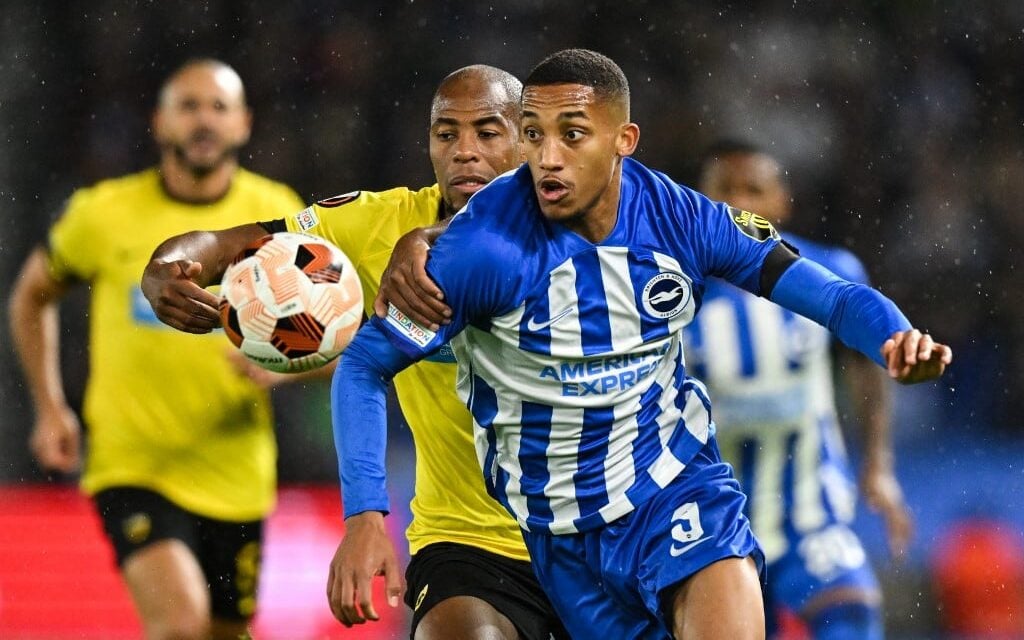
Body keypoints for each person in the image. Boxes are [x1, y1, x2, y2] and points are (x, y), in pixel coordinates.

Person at [330, 48, 952, 639]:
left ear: (623, 141)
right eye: (534, 134)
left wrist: (895, 338)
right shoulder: (483, 251)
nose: (548, 157)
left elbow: (838, 296)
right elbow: (363, 365)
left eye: (572, 134)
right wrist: (365, 515)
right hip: (560, 532)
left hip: (675, 490)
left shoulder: (685, 220)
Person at [141, 65, 568, 640]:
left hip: (597, 535)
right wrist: (165, 266)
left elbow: (727, 233)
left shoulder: (592, 225)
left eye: (488, 134)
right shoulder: (377, 224)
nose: (465, 152)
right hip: (467, 542)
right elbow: (230, 243)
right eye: (446, 135)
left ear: (529, 139)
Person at [7, 59, 305, 640]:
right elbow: (31, 296)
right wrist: (48, 405)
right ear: (159, 122)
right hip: (133, 464)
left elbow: (340, 340)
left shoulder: (277, 216)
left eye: (218, 108)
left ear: (244, 124)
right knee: (178, 625)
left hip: (235, 473)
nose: (203, 121)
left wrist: (286, 364)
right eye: (188, 106)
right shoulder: (104, 212)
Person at [685, 139, 912, 638]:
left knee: (852, 616)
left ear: (781, 201)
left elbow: (863, 364)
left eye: (755, 189)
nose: (740, 202)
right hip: (714, 518)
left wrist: (879, 465)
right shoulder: (672, 285)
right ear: (698, 200)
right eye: (725, 189)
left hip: (809, 508)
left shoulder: (829, 273)